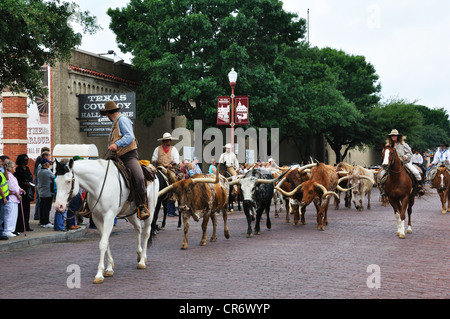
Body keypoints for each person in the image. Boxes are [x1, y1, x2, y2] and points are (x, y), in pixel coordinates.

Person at [101, 100, 151, 220]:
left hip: (129, 156)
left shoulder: (122, 120)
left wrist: (116, 144)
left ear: (109, 113)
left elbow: (129, 136)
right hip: (117, 157)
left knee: (139, 178)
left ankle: (142, 205)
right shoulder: (115, 124)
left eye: (106, 114)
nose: (107, 117)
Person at [381, 129, 425, 196]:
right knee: (382, 174)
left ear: (398, 136)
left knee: (415, 172)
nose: (393, 137)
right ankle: (383, 190)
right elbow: (384, 154)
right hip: (391, 164)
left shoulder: (404, 144)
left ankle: (419, 187)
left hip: (404, 162)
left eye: (395, 135)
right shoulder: (387, 145)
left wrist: (406, 157)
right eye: (392, 135)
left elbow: (410, 154)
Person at [14, 154, 34, 233]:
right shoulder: (18, 170)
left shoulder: (27, 169)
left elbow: (30, 178)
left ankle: (26, 225)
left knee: (27, 210)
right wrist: (23, 184)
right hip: (21, 192)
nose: (27, 161)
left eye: (27, 160)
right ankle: (20, 226)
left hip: (28, 192)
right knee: (21, 210)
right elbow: (17, 182)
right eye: (25, 160)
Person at [3, 160, 24, 237]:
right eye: (13, 167)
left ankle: (12, 229)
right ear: (10, 168)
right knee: (10, 214)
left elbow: (16, 186)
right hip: (11, 198)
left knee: (14, 215)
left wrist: (20, 189)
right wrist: (17, 194)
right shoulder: (8, 176)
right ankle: (7, 230)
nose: (14, 168)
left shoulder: (12, 176)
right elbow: (11, 187)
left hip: (14, 199)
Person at [33, 148, 51, 221]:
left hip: (39, 183)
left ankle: (38, 216)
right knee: (40, 200)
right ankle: (38, 216)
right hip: (41, 184)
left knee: (40, 200)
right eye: (48, 155)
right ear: (45, 156)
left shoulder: (39, 161)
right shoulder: (41, 165)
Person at [37, 158, 54, 228]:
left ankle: (42, 221)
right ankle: (46, 222)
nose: (49, 164)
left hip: (41, 191)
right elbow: (54, 177)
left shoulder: (39, 171)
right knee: (47, 208)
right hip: (48, 192)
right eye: (48, 163)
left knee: (42, 207)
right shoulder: (47, 172)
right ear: (45, 164)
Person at [0, 166, 10, 240]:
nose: (2, 163)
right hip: (1, 198)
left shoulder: (1, 172)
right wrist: (3, 197)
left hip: (3, 197)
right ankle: (0, 233)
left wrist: (5, 169)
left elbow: (7, 178)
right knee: (0, 217)